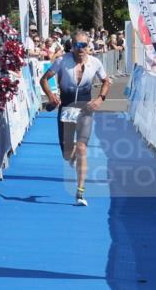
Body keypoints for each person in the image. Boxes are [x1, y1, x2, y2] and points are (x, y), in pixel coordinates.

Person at [40, 30, 112, 207]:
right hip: (66, 109)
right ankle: (75, 161)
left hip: (85, 109)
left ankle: (80, 192)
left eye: (84, 45)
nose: (81, 49)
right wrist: (50, 95)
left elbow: (107, 81)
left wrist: (100, 99)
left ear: (89, 46)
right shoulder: (62, 61)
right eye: (78, 45)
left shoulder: (95, 63)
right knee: (67, 154)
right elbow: (44, 79)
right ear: (72, 46)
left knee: (82, 148)